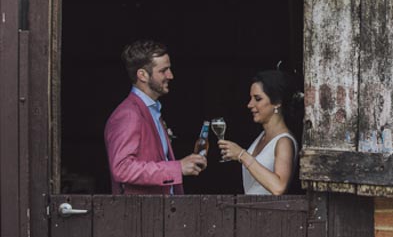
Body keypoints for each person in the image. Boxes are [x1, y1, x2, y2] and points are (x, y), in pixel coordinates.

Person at [104, 40, 207, 194]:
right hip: (140, 214)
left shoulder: (152, 110)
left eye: (169, 69)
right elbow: (122, 168)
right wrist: (177, 168)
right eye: (163, 70)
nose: (170, 75)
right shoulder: (129, 114)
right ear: (143, 75)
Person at [218, 70, 298, 195]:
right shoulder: (262, 136)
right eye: (251, 98)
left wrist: (242, 155)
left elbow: (279, 187)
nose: (250, 104)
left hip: (270, 213)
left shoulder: (284, 142)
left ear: (277, 102)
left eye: (258, 99)